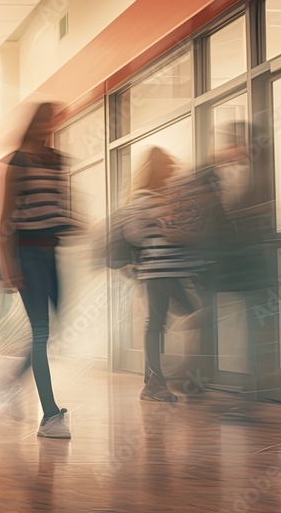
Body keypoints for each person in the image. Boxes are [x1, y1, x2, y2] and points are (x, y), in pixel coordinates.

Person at [0, 103, 74, 438]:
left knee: (51, 329)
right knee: (41, 331)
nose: (49, 125)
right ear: (34, 123)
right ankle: (49, 414)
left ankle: (11, 383)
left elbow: (60, 205)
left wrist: (72, 224)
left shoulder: (57, 159)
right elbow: (5, 220)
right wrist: (8, 265)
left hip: (51, 254)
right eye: (44, 119)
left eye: (53, 120)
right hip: (27, 256)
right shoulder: (18, 160)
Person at [122, 146, 204, 403]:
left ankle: (160, 379)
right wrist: (163, 227)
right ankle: (157, 382)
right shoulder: (144, 198)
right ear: (158, 170)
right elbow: (133, 233)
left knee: (191, 316)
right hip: (158, 272)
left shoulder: (165, 196)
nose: (172, 173)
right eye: (168, 168)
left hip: (172, 271)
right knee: (158, 325)